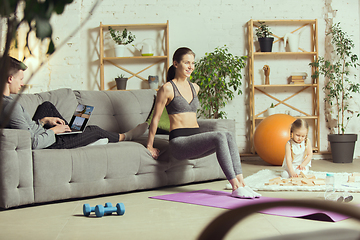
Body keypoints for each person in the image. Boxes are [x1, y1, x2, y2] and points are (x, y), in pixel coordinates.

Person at [146, 47, 261, 199]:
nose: (191, 67)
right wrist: (150, 145)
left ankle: (242, 184)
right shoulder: (167, 88)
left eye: (193, 63)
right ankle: (234, 187)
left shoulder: (195, 88)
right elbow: (155, 118)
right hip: (179, 144)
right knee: (220, 136)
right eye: (187, 63)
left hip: (193, 140)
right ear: (175, 63)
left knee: (227, 135)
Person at [0, 56, 148, 149]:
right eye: (20, 79)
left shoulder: (5, 102)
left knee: (47, 106)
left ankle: (73, 133)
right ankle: (125, 136)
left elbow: (27, 129)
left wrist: (44, 121)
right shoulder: (11, 107)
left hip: (41, 131)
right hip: (49, 142)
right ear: (10, 79)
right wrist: (53, 131)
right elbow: (31, 143)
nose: (22, 83)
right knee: (94, 129)